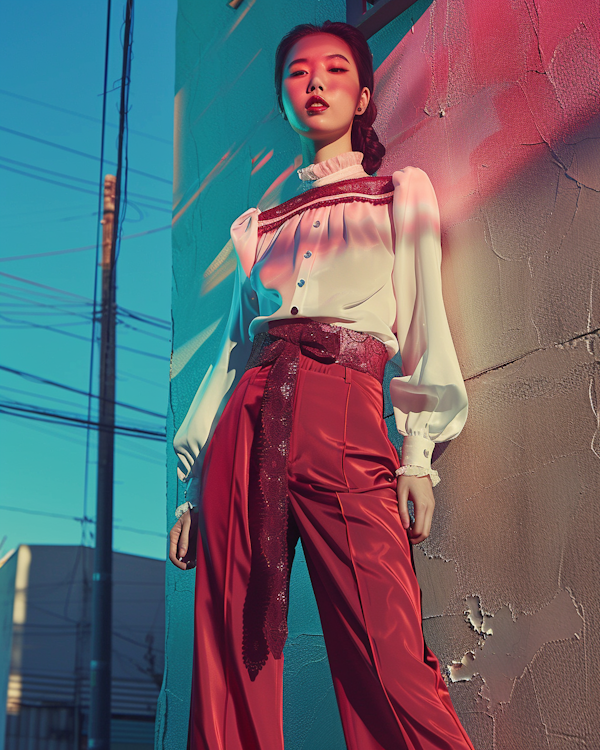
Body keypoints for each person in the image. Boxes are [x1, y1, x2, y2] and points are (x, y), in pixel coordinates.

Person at [169, 19, 474, 750]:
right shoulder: (257, 227)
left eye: (336, 70)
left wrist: (417, 455)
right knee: (229, 659)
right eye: (299, 73)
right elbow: (231, 359)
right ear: (281, 100)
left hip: (347, 408)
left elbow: (425, 320)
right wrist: (188, 486)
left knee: (388, 649)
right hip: (246, 423)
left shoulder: (398, 194)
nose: (316, 83)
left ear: (364, 94)